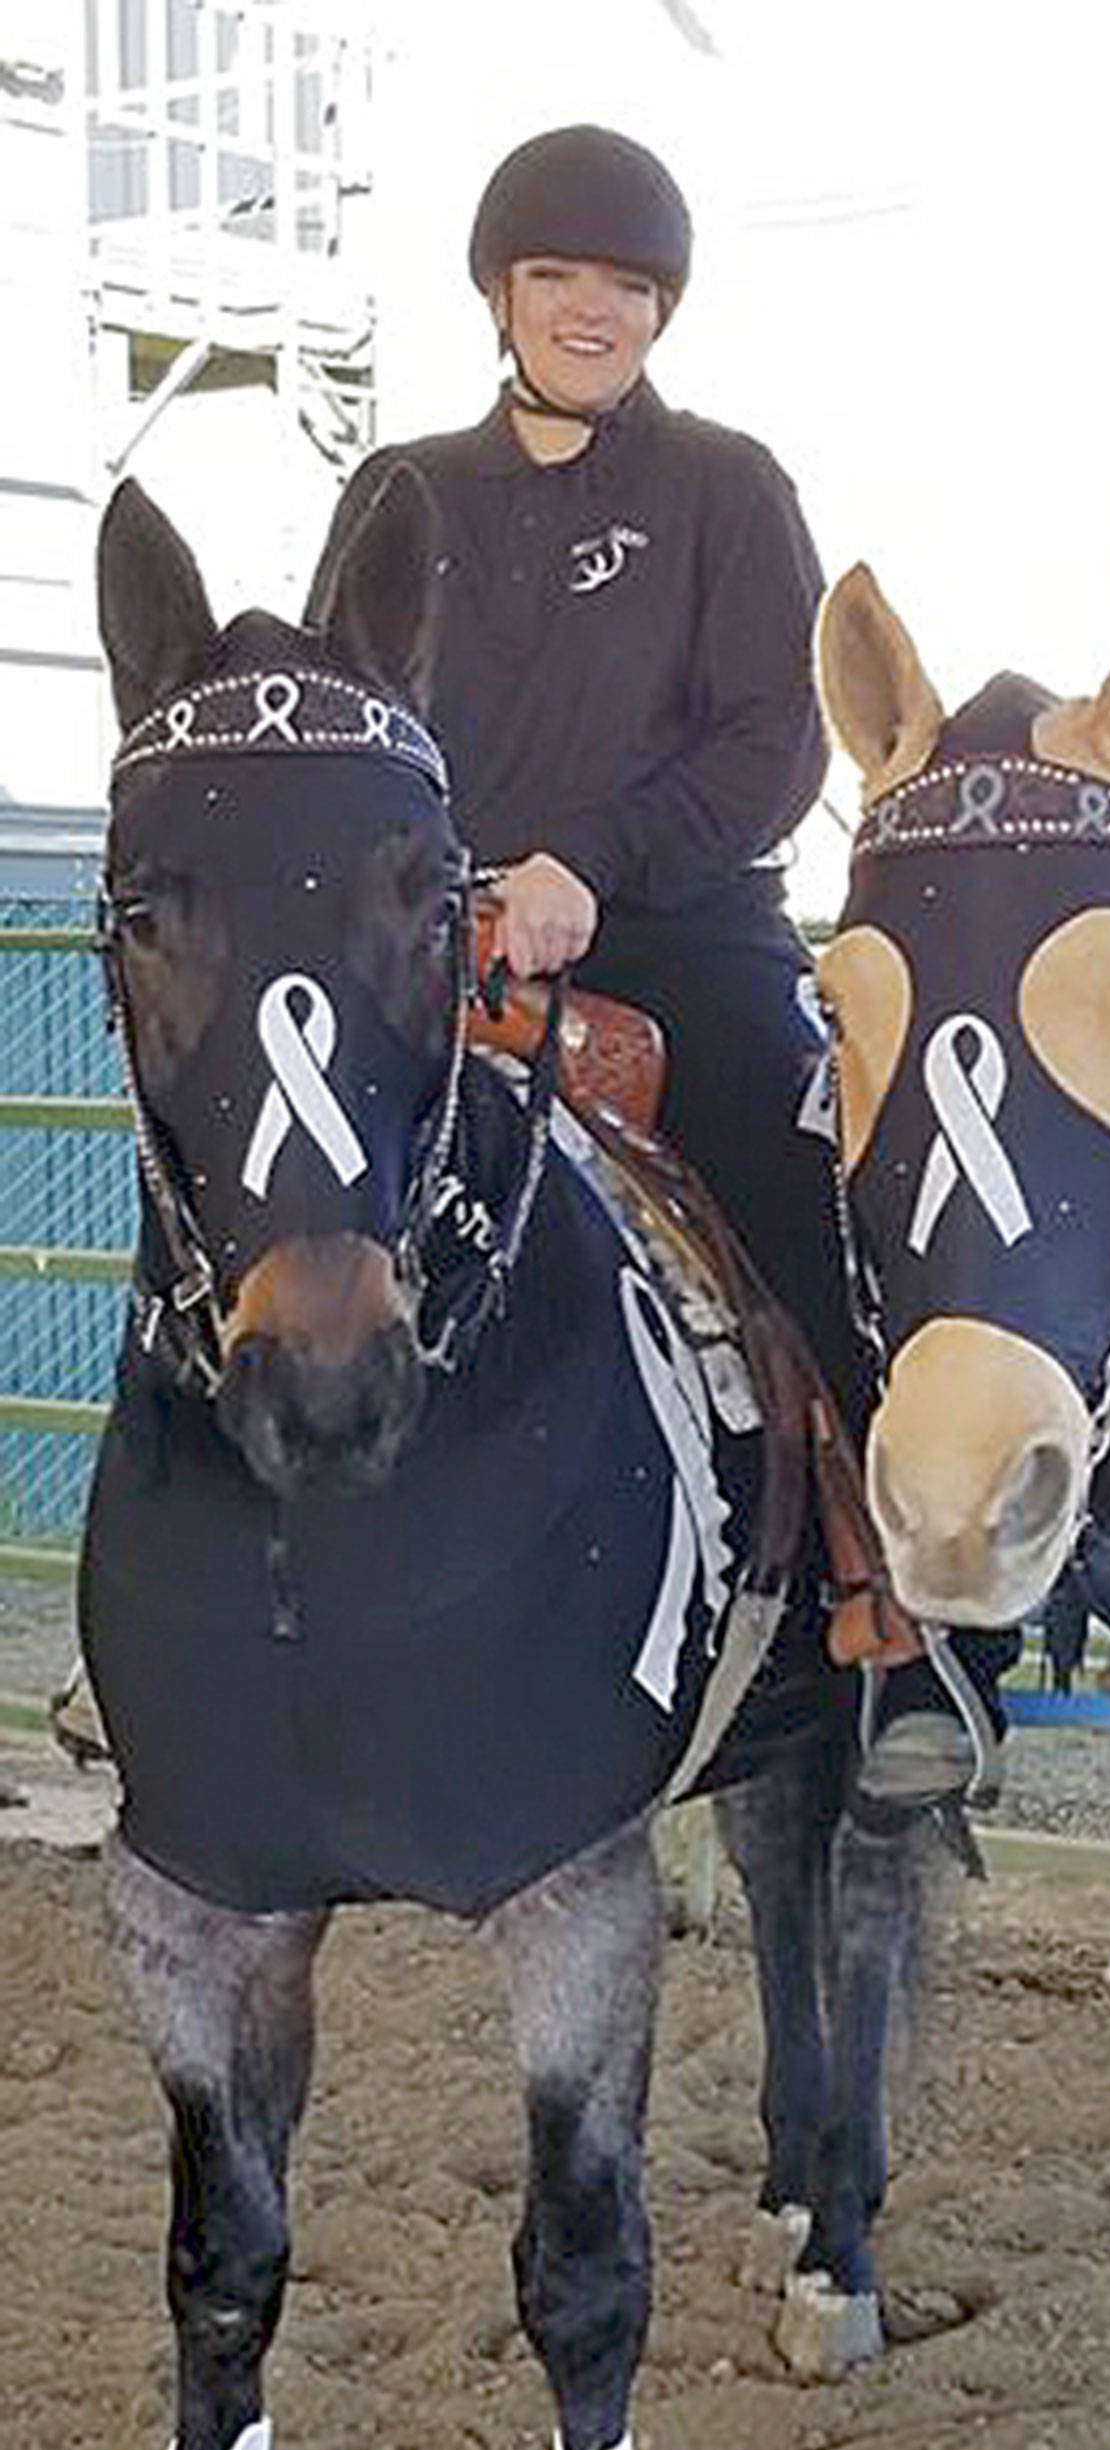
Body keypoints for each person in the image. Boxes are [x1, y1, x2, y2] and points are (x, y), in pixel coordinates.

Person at [308, 123, 1007, 1800]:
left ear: (662, 309)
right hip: (435, 928)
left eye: (627, 285)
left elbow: (775, 740)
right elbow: (347, 712)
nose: (592, 311)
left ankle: (909, 1628)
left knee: (807, 1190)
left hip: (678, 920)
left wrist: (588, 870)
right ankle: (199, 1610)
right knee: (255, 1167)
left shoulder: (723, 486)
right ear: (501, 292)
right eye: (557, 276)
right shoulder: (403, 489)